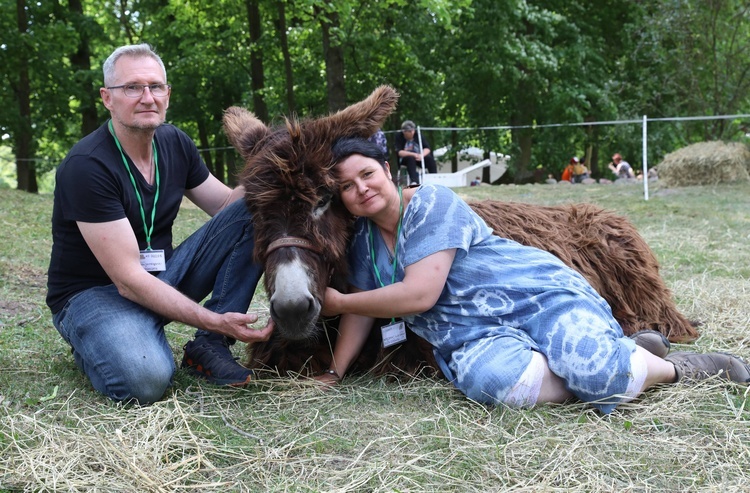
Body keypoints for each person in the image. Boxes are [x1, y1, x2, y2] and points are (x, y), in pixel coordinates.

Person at [316, 137, 750, 414]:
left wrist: (337, 302)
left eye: (367, 174)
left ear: (388, 171)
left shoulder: (431, 203)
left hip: (536, 298)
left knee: (601, 378)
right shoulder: (362, 244)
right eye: (347, 186)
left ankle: (680, 368)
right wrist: (334, 372)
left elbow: (419, 296)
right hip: (471, 338)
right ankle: (625, 357)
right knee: (497, 386)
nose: (361, 189)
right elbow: (364, 310)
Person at [46, 44, 273, 406]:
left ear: (168, 94)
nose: (147, 97)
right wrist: (214, 318)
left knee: (258, 205)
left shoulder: (175, 142)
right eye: (132, 87)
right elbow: (128, 279)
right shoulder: (87, 166)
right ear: (107, 98)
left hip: (162, 276)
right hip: (95, 295)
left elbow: (229, 208)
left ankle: (208, 346)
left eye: (156, 86)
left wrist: (266, 163)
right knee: (146, 380)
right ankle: (101, 344)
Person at [394, 120, 437, 186]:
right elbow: (399, 152)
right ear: (404, 132)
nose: (412, 133)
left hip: (418, 158)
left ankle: (434, 179)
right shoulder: (399, 136)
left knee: (430, 159)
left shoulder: (418, 135)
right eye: (409, 131)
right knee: (410, 158)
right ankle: (414, 182)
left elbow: (427, 148)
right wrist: (413, 154)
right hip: (405, 159)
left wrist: (421, 155)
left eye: (413, 130)